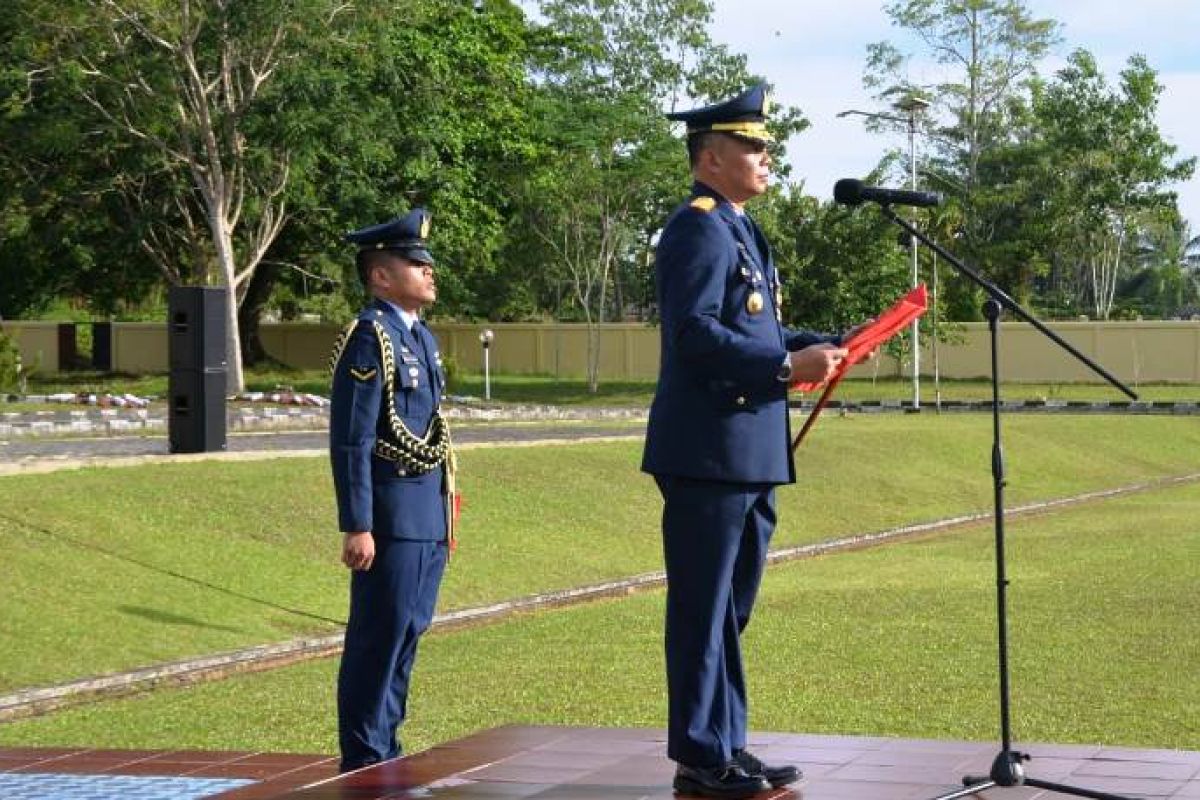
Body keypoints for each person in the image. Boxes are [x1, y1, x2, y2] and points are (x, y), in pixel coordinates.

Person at [642, 84, 856, 799]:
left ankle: (726, 744)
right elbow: (696, 334)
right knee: (704, 609)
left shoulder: (742, 229)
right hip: (710, 450)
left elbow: (756, 328)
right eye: (754, 146)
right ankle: (701, 754)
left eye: (767, 145)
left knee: (730, 611)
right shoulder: (697, 227)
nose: (769, 156)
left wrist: (822, 345)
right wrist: (782, 367)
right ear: (711, 156)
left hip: (751, 450)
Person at [328, 208, 457, 773]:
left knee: (408, 633)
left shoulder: (420, 338)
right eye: (415, 263)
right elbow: (353, 440)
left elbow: (429, 428)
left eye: (427, 263)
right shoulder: (370, 337)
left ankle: (387, 746)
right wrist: (358, 523)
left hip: (425, 512)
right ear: (381, 276)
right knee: (378, 638)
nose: (429, 273)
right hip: (390, 514)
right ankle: (364, 753)